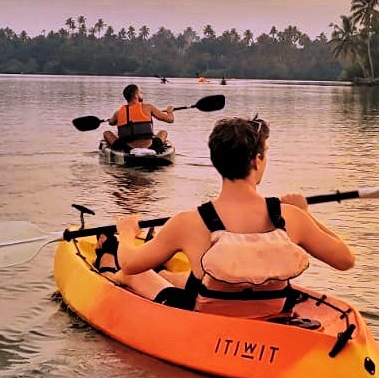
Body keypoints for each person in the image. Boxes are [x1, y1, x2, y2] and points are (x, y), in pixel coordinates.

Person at [106, 116, 355, 318]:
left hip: (206, 319)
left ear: (217, 162)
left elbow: (131, 264)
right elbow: (345, 260)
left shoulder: (188, 223)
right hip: (271, 314)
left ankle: (118, 273)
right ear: (257, 161)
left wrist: (126, 233)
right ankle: (167, 276)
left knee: (132, 274)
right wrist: (306, 216)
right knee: (188, 277)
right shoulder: (291, 218)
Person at [102, 83, 175, 152]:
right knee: (163, 132)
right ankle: (158, 149)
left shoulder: (118, 112)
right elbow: (170, 120)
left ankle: (113, 151)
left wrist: (111, 120)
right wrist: (169, 112)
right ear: (136, 96)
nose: (142, 94)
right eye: (141, 92)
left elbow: (111, 123)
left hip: (126, 147)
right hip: (150, 146)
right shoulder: (148, 107)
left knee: (107, 133)